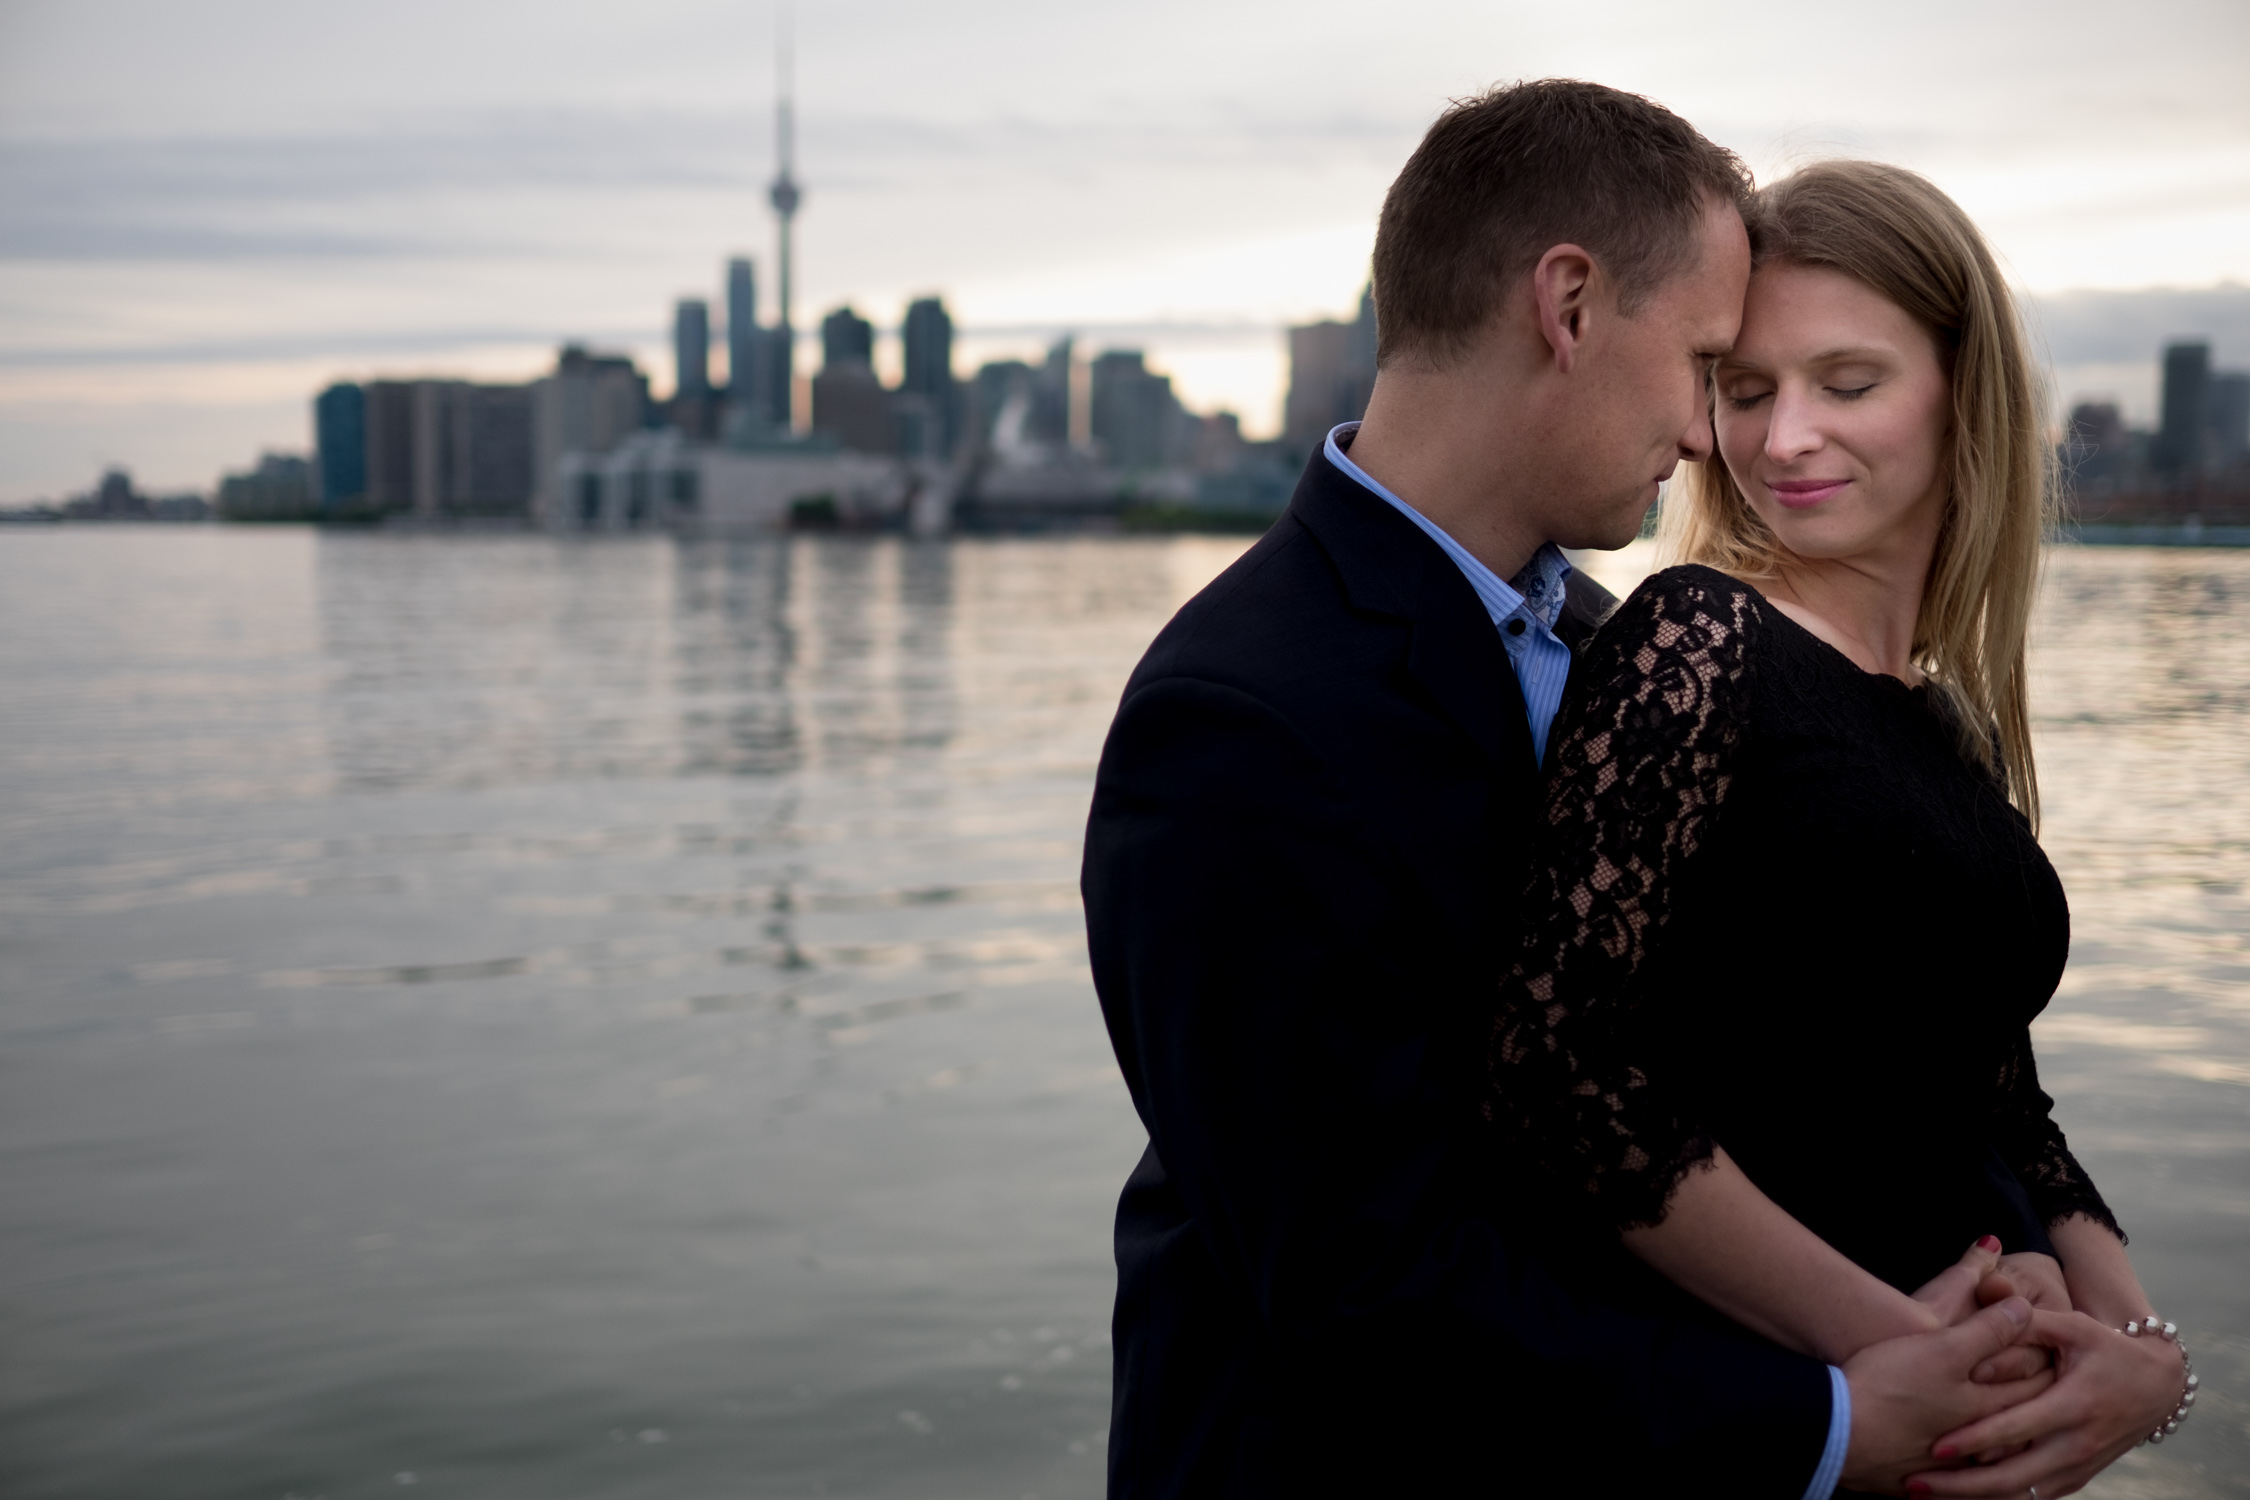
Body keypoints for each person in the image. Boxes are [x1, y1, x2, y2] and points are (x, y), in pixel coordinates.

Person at [1083, 81, 2062, 1498]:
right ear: (1570, 306)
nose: (1706, 432)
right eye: (1709, 362)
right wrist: (1835, 1419)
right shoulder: (1240, 714)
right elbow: (1359, 1271)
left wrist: (2032, 1300)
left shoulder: (1624, 650)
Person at [1478, 159, 2194, 1497]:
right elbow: (1559, 1071)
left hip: (1957, 1419)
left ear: (1957, 389)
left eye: (1845, 384)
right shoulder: (1696, 641)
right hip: (1789, 1423)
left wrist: (2138, 1351)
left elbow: (2001, 1100)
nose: (1782, 439)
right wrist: (1897, 1343)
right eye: (1743, 392)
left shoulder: (1949, 724)